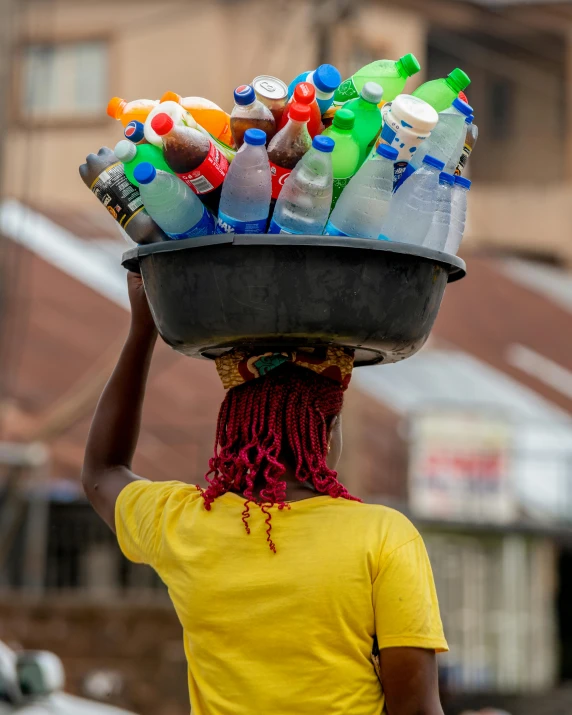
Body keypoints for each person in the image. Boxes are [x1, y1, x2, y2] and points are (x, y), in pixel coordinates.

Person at [82, 272, 449, 715]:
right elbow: (417, 709)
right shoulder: (384, 537)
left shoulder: (184, 522)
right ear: (326, 431)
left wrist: (142, 329)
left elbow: (103, 471)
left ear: (233, 426)